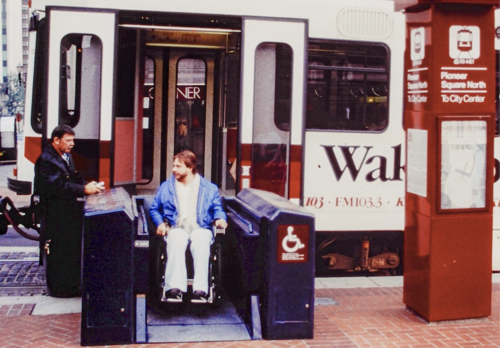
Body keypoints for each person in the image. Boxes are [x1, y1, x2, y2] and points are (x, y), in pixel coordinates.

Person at [34, 124, 104, 297]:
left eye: (73, 140)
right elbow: (57, 186)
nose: (72, 144)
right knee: (59, 249)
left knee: (69, 247)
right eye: (68, 140)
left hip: (65, 210)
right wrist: (83, 190)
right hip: (54, 212)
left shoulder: (65, 156)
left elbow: (73, 177)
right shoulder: (46, 160)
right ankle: (60, 289)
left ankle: (71, 285)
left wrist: (88, 185)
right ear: (56, 140)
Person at [150, 150, 227, 303]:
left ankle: (201, 290)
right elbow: (154, 209)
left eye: (178, 166)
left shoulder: (209, 188)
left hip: (201, 227)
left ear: (190, 167)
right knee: (176, 239)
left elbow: (217, 208)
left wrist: (220, 218)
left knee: (200, 240)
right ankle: (174, 289)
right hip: (177, 227)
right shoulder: (167, 187)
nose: (174, 170)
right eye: (174, 166)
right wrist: (159, 223)